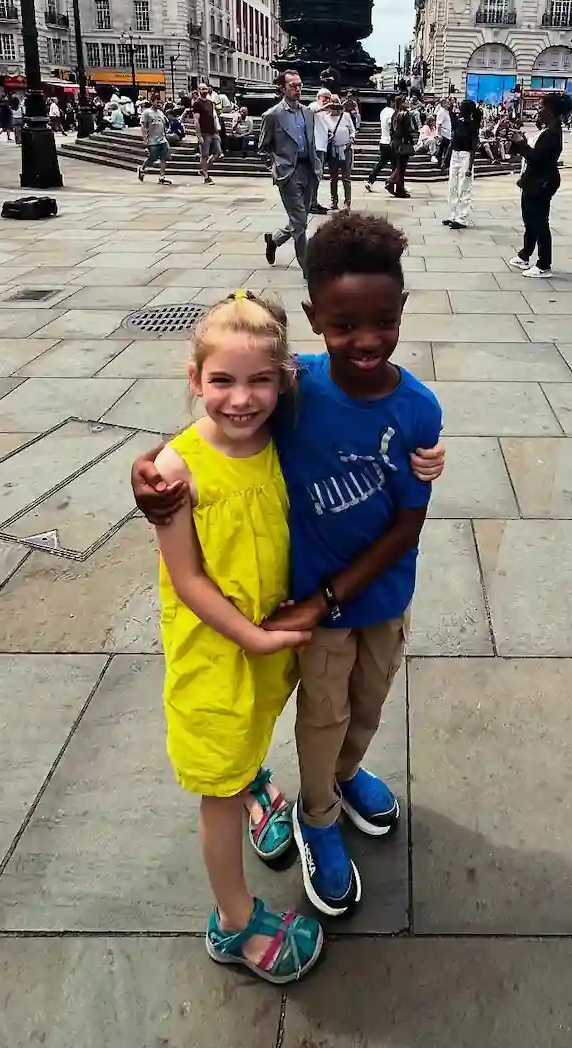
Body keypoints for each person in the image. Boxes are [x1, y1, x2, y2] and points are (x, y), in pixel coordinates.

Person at [132, 213, 444, 922]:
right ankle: (318, 813)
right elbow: (216, 425)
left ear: (401, 310)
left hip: (384, 597)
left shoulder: (420, 409)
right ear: (314, 320)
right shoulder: (293, 389)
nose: (364, 341)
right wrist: (144, 470)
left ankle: (343, 774)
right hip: (316, 609)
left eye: (382, 321)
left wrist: (429, 466)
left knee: (368, 705)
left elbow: (408, 523)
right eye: (342, 326)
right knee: (324, 713)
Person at [142, 291, 323, 983]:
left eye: (260, 380)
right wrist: (253, 635)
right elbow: (187, 578)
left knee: (249, 741)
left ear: (282, 380)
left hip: (268, 636)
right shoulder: (175, 470)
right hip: (216, 653)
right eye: (221, 380)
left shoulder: (281, 439)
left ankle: (254, 783)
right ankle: (235, 921)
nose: (241, 399)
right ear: (195, 382)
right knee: (216, 790)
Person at [261, 69, 322, 270]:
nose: (297, 89)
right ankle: (307, 267)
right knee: (299, 220)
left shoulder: (308, 112)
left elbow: (312, 142)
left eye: (299, 85)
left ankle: (274, 240)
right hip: (288, 173)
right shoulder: (272, 115)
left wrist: (318, 168)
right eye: (292, 86)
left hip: (309, 170)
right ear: (282, 88)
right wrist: (276, 168)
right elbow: (263, 148)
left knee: (299, 220)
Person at [508, 89, 572, 279]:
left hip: (542, 182)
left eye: (541, 106)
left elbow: (537, 158)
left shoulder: (553, 133)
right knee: (530, 220)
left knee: (539, 222)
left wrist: (522, 144)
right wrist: (521, 142)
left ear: (550, 111)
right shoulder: (547, 130)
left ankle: (544, 264)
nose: (538, 109)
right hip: (534, 180)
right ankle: (525, 255)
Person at [443, 97, 481, 229]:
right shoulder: (458, 123)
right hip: (455, 154)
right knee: (452, 186)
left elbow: (474, 146)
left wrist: (470, 165)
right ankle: (452, 215)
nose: (459, 109)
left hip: (466, 156)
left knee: (464, 187)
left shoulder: (473, 125)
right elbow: (453, 140)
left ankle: (462, 218)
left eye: (461, 107)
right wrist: (446, 157)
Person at [326, 96, 359, 211]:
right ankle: (334, 201)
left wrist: (352, 139)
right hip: (333, 151)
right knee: (333, 177)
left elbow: (353, 130)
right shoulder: (326, 117)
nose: (334, 108)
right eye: (332, 105)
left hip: (345, 149)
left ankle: (347, 202)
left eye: (336, 105)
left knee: (346, 177)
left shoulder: (345, 116)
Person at [138, 90, 174, 185]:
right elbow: (143, 126)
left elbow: (165, 123)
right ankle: (142, 168)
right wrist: (145, 139)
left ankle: (162, 177)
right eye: (156, 102)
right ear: (152, 102)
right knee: (152, 158)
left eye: (159, 102)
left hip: (162, 139)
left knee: (164, 157)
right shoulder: (147, 113)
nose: (158, 104)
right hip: (152, 140)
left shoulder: (160, 113)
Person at [309, 90, 337, 214]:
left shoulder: (325, 113)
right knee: (314, 176)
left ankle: (313, 201)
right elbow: (311, 112)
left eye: (328, 98)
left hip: (323, 147)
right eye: (325, 97)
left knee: (317, 176)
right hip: (315, 147)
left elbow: (331, 127)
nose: (326, 100)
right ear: (318, 97)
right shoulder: (314, 106)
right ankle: (311, 203)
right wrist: (326, 107)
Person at [385, 94, 416, 198]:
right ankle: (395, 186)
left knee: (397, 166)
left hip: (394, 142)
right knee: (401, 167)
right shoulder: (405, 114)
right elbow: (408, 129)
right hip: (402, 142)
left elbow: (391, 130)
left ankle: (396, 187)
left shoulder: (394, 113)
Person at [192, 84, 222, 184]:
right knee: (204, 155)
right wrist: (199, 135)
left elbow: (213, 117)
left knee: (218, 152)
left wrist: (216, 130)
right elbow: (196, 120)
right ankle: (206, 176)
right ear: (198, 90)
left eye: (206, 89)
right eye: (202, 89)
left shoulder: (210, 102)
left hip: (213, 131)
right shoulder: (197, 103)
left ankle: (204, 170)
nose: (204, 91)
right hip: (204, 132)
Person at [365, 95, 394, 192]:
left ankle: (370, 181)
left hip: (383, 141)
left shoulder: (383, 111)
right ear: (392, 102)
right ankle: (393, 183)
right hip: (390, 141)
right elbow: (390, 125)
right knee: (396, 165)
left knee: (381, 163)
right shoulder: (392, 112)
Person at [434, 96, 454, 173]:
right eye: (447, 102)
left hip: (447, 134)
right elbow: (438, 124)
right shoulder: (441, 112)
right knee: (443, 151)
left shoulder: (446, 111)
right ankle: (441, 165)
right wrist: (439, 135)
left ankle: (443, 165)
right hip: (443, 135)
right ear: (443, 103)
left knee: (444, 151)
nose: (449, 103)